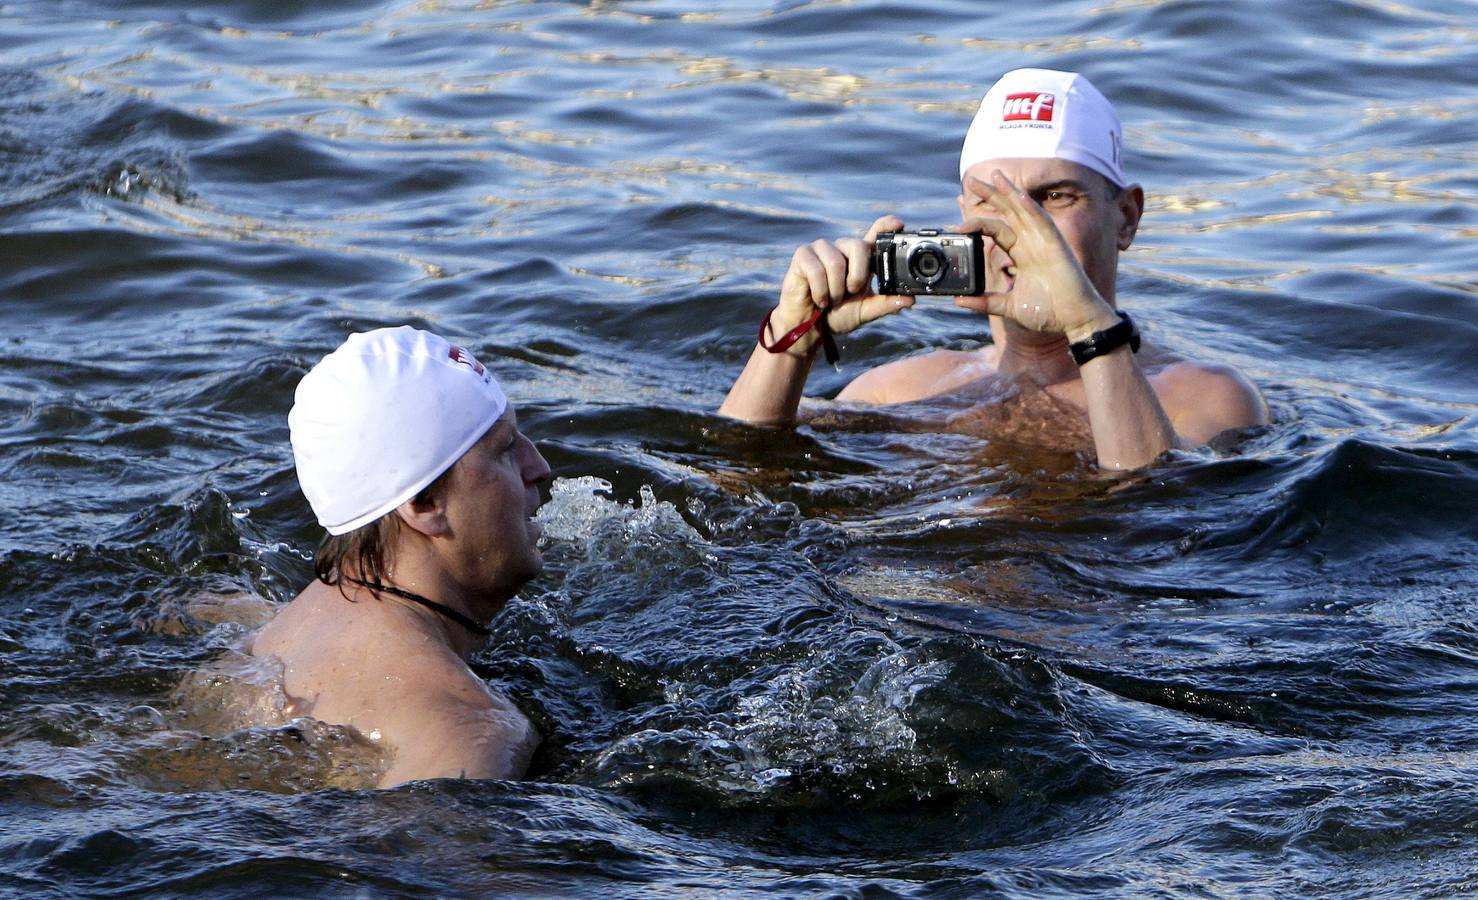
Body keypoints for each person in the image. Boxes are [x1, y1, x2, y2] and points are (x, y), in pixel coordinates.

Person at [719, 68, 1267, 470]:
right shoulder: (902, 388)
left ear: (1126, 217)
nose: (1020, 226)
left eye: (1053, 197)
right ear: (963, 219)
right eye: (993, 203)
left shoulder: (1203, 395)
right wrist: (791, 344)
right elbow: (731, 480)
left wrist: (1089, 329)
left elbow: (1154, 517)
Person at [251, 326, 551, 788]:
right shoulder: (469, 735)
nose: (539, 467)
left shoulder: (281, 629)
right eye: (506, 450)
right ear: (426, 503)